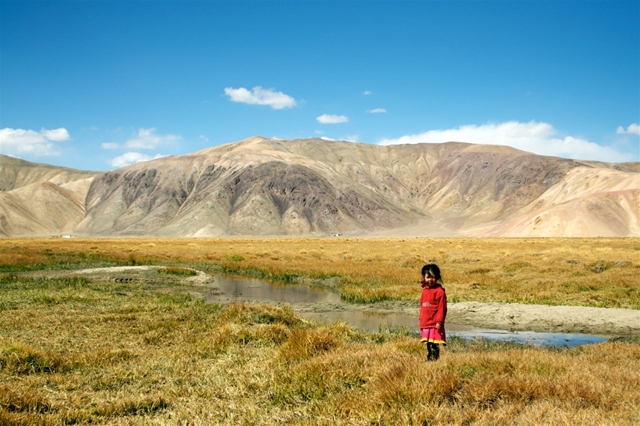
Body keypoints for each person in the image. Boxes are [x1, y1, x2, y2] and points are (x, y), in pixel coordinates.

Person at [419, 264, 447, 361]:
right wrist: (421, 321)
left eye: (433, 277)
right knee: (428, 343)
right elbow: (422, 307)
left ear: (438, 278)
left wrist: (439, 322)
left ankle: (434, 359)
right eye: (428, 277)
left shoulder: (440, 292)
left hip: (435, 324)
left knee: (434, 344)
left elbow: (442, 308)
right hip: (426, 322)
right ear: (424, 277)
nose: (430, 280)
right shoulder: (424, 291)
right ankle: (429, 358)